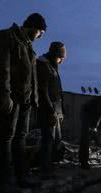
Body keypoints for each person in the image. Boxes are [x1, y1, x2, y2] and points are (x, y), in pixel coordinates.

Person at [0, 13, 46, 193]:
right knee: (7, 137)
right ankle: (5, 184)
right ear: (32, 27)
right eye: (40, 32)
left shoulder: (29, 47)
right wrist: (5, 95)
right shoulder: (5, 37)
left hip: (25, 101)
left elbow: (32, 77)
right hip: (11, 99)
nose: (41, 36)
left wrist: (34, 99)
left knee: (20, 137)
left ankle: (22, 178)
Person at [36, 42, 66, 178]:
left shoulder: (53, 66)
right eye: (61, 57)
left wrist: (61, 111)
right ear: (55, 55)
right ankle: (45, 169)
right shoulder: (43, 66)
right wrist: (51, 112)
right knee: (48, 139)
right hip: (48, 109)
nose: (62, 60)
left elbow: (58, 91)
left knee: (57, 140)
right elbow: (43, 91)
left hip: (56, 109)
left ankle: (52, 165)